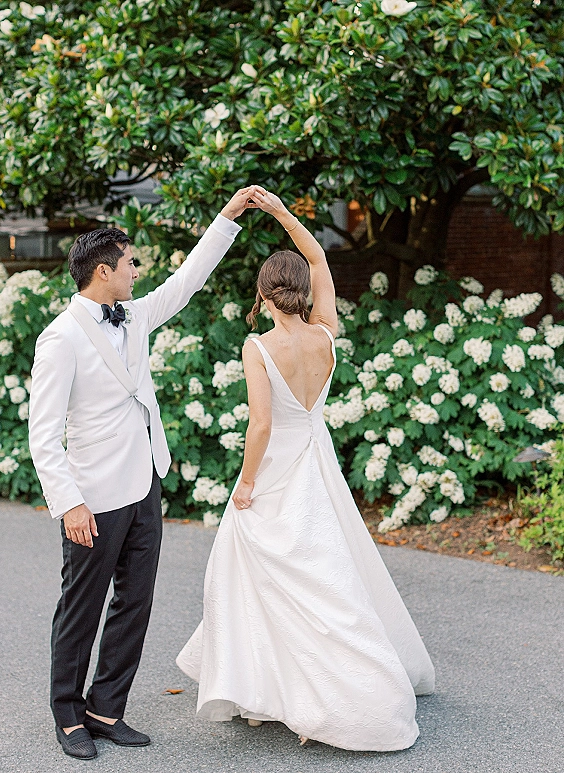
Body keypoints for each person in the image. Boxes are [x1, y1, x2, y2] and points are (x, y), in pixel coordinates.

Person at [176, 187, 435, 751]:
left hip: (276, 470)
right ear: (302, 291)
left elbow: (261, 427)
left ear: (265, 294)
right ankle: (296, 685)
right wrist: (281, 213)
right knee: (327, 570)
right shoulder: (325, 334)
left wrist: (244, 485)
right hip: (316, 464)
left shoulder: (258, 345)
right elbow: (317, 257)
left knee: (251, 567)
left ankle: (265, 687)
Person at [28, 187, 258, 760]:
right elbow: (42, 434)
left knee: (135, 601)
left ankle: (106, 708)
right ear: (104, 271)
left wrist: (227, 217)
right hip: (93, 496)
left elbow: (187, 281)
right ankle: (68, 715)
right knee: (80, 608)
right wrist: (69, 503)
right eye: (130, 263)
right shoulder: (58, 339)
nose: (138, 270)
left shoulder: (133, 316)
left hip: (143, 485)